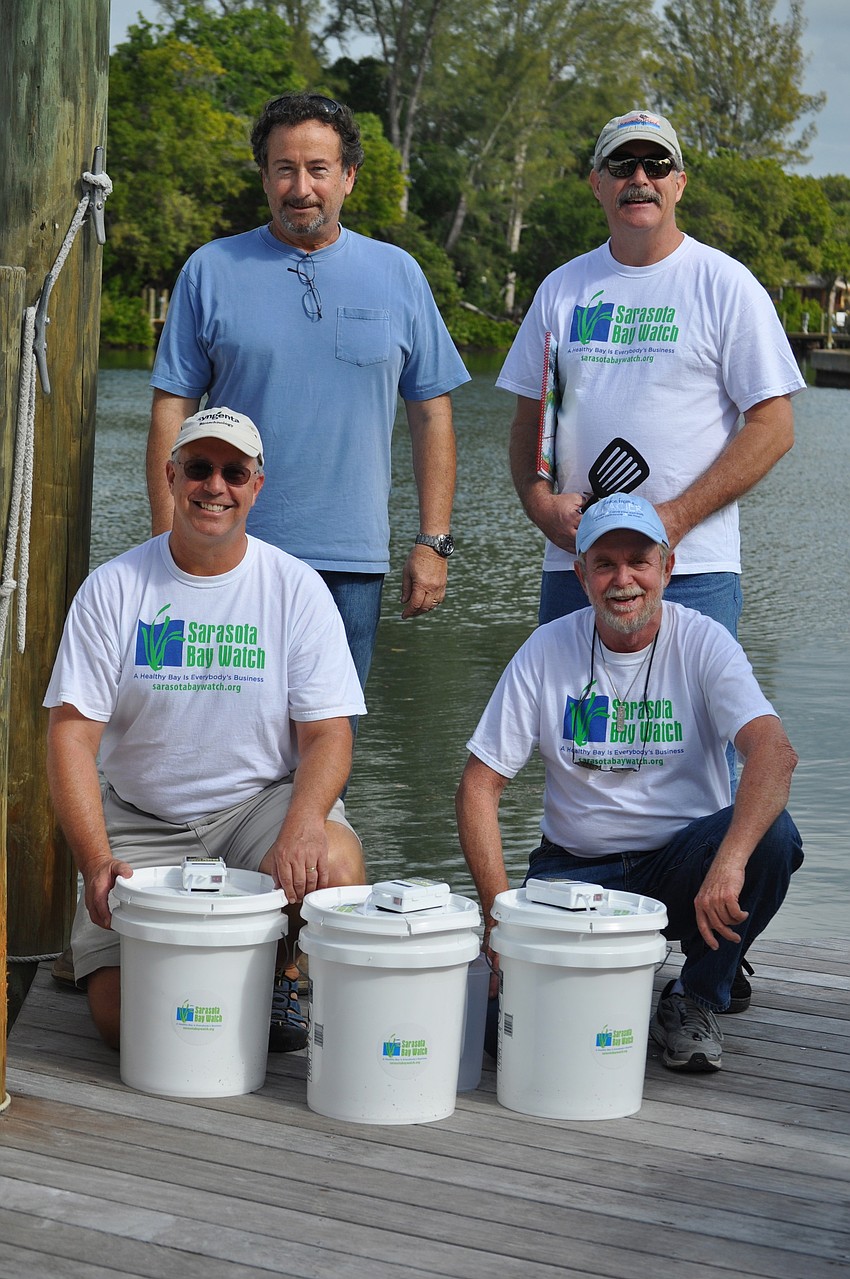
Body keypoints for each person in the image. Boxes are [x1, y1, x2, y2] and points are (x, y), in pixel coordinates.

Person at [45, 406, 367, 1054]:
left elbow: (329, 735)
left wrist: (303, 822)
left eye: (232, 471)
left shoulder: (296, 589)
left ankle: (284, 972)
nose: (213, 486)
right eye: (198, 468)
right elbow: (70, 738)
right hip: (143, 818)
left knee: (333, 860)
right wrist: (95, 859)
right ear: (170, 476)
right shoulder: (112, 589)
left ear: (256, 486)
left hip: (257, 807)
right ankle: (232, 993)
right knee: (119, 1020)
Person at [455, 493, 803, 1073]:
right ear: (581, 575)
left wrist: (730, 859)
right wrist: (498, 920)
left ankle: (696, 995)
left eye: (639, 561)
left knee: (771, 837)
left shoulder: (704, 641)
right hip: (575, 868)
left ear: (667, 568)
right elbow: (478, 787)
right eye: (605, 563)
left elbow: (774, 753)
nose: (624, 580)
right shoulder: (545, 649)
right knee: (508, 1034)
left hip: (683, 862)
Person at [146, 91, 470, 692]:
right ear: (264, 177)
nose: (302, 188)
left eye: (318, 169)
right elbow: (172, 407)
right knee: (225, 733)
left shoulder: (398, 274)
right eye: (285, 169)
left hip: (352, 564)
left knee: (330, 737)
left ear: (348, 176)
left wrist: (433, 542)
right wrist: (169, 539)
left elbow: (432, 416)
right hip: (226, 550)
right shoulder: (210, 270)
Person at [499, 109, 806, 636]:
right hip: (579, 567)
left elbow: (774, 427)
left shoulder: (726, 285)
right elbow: (530, 419)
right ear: (597, 184)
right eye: (622, 165)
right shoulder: (560, 289)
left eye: (656, 164)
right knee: (572, 719)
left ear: (679, 184)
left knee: (688, 720)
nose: (639, 179)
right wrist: (540, 505)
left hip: (691, 569)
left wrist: (678, 517)